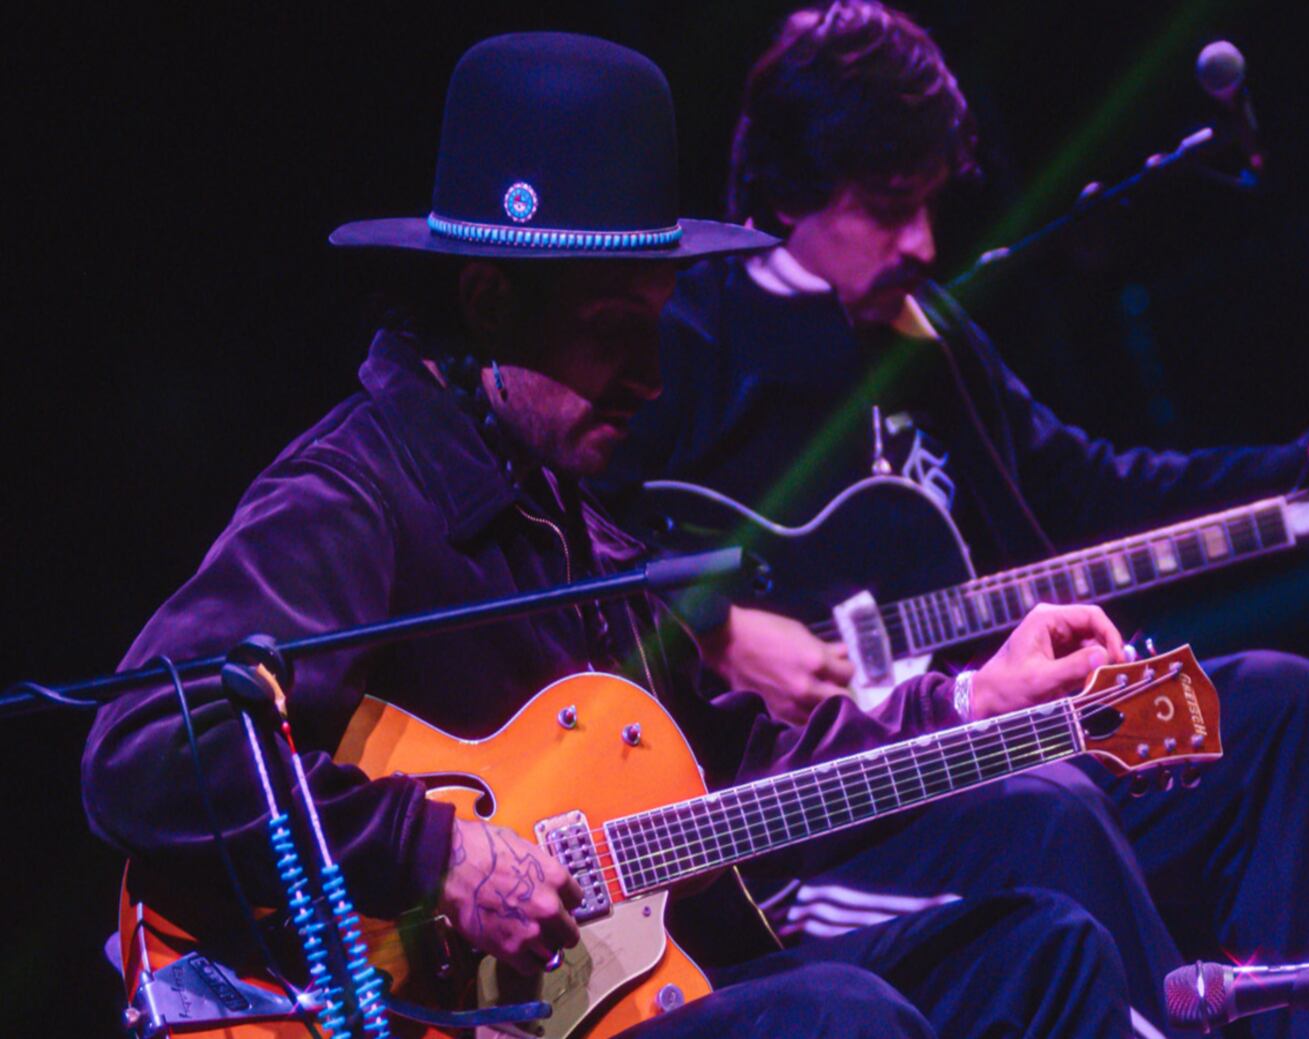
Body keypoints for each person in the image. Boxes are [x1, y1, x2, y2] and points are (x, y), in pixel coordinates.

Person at [79, 32, 1137, 1039]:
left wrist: (968, 702)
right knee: (838, 1017)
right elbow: (145, 749)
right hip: (409, 1009)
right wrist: (431, 850)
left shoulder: (567, 509)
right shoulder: (356, 490)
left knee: (1040, 953)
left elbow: (731, 748)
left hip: (617, 986)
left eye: (658, 325)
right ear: (489, 299)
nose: (652, 377)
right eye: (610, 333)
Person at [599, 5, 1309, 1039]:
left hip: (996, 732)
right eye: (883, 207)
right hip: (829, 817)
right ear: (788, 193)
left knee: (1275, 703)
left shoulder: (929, 335)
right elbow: (585, 541)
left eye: (927, 204)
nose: (919, 241)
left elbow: (1088, 490)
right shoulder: (692, 337)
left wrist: (1297, 481)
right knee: (1051, 806)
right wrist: (713, 619)